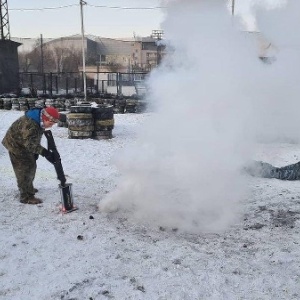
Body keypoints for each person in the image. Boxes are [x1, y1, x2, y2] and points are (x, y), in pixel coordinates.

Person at [2, 106, 60, 204]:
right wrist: (44, 152)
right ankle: (26, 196)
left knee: (32, 166)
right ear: (45, 118)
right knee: (24, 170)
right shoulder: (31, 124)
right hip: (16, 146)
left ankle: (29, 187)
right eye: (50, 123)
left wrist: (35, 151)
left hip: (23, 144)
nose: (51, 126)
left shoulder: (39, 121)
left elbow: (33, 138)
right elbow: (29, 143)